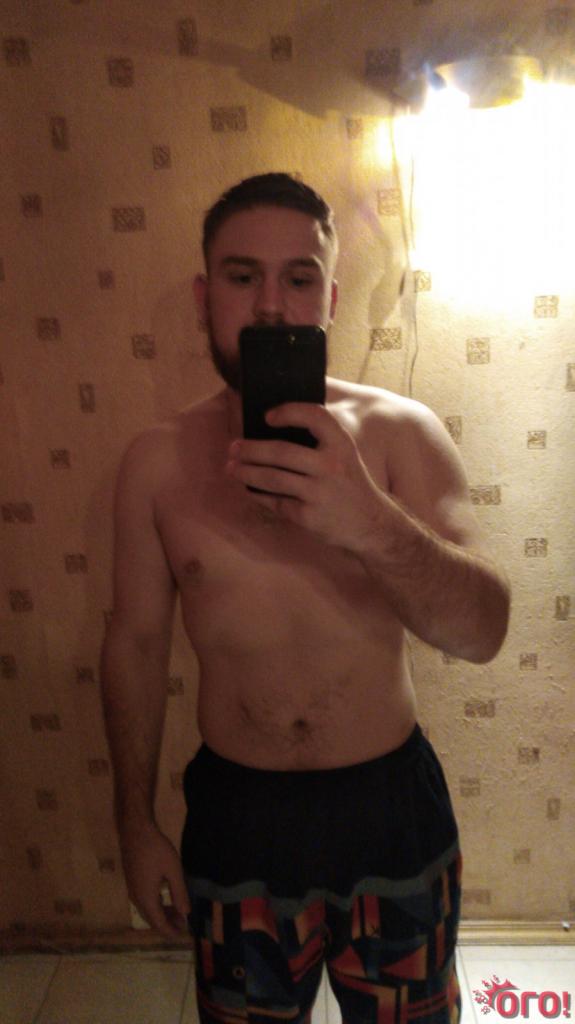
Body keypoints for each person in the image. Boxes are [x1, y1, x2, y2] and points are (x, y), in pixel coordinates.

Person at [100, 173, 510, 1024]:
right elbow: (134, 645)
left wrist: (369, 521)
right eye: (241, 275)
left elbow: (481, 632)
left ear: (329, 297)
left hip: (390, 810)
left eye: (297, 278)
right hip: (237, 820)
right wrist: (134, 825)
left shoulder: (400, 434)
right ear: (204, 296)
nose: (269, 305)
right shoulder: (154, 462)